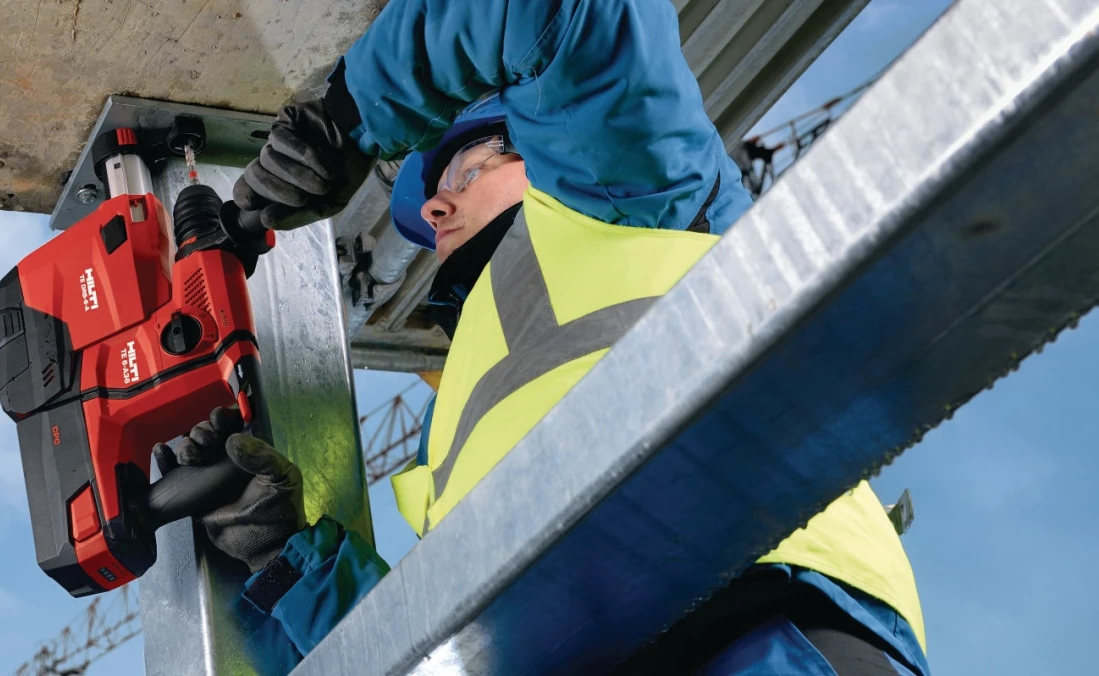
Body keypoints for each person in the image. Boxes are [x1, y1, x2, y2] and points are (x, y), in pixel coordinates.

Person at [156, 0, 931, 673]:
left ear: (551, 143)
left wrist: (345, 117)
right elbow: (439, 657)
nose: (435, 209)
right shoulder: (450, 426)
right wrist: (280, 557)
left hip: (746, 614)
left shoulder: (637, 199)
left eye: (466, 172)